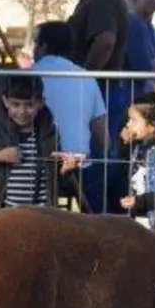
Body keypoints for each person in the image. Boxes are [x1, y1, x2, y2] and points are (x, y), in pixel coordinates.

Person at [67, 0, 131, 214]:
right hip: (103, 91)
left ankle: (99, 222)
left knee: (94, 166)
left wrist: (84, 79)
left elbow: (105, 40)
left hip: (100, 93)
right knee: (100, 163)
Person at [0, 76, 77, 211]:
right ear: (5, 102)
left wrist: (65, 171)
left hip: (40, 214)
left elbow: (54, 180)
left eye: (29, 105)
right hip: (3, 213)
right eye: (16, 104)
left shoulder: (49, 136)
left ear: (40, 103)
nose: (22, 111)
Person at [31, 21, 107, 202]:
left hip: (34, 165)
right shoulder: (86, 78)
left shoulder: (26, 76)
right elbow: (103, 137)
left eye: (35, 43)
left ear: (43, 46)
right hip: (78, 165)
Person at [117, 91, 155, 229]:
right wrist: (124, 145)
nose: (128, 124)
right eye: (128, 119)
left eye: (133, 120)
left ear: (152, 126)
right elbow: (122, 170)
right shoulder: (138, 147)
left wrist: (140, 201)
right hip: (139, 221)